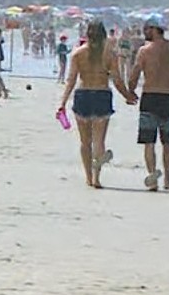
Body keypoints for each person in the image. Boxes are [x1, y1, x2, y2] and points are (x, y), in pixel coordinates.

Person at [58, 21, 138, 188]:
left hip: (83, 95)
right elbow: (116, 79)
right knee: (99, 141)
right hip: (102, 94)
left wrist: (63, 102)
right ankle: (96, 177)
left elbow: (71, 80)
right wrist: (127, 95)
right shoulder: (109, 54)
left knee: (85, 142)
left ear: (87, 34)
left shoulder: (78, 54)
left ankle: (88, 177)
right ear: (103, 36)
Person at [128, 16, 169, 191]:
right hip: (167, 98)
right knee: (167, 141)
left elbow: (135, 73)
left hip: (149, 98)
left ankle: (152, 178)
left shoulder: (144, 51)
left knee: (149, 141)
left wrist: (131, 91)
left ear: (154, 29)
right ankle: (166, 179)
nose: (144, 32)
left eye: (146, 29)